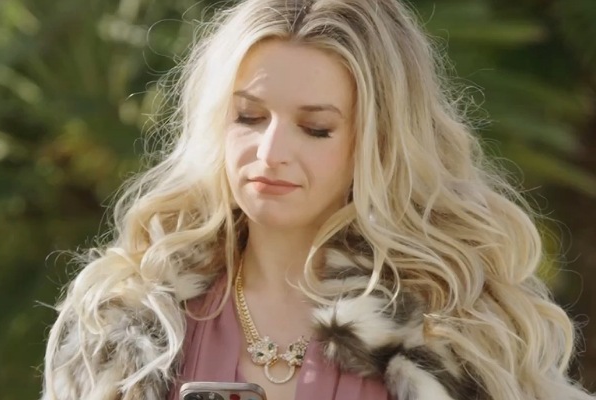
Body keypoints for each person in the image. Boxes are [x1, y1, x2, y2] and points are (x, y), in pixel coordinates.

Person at [40, 0, 595, 399]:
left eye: (316, 128)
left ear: (378, 143)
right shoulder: (132, 321)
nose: (270, 153)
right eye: (249, 117)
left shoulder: (456, 327)